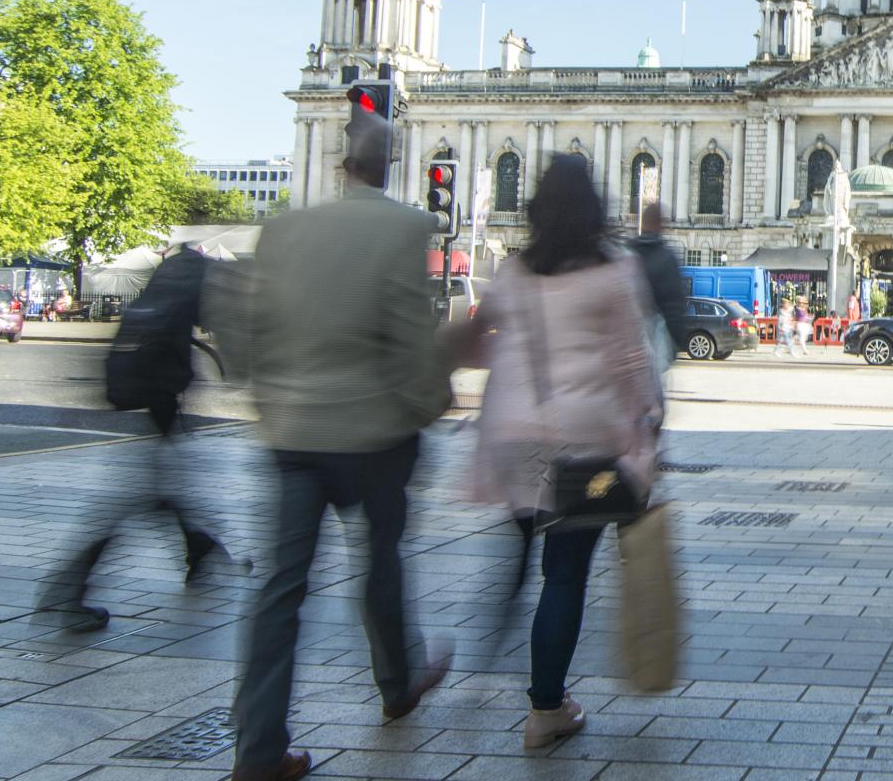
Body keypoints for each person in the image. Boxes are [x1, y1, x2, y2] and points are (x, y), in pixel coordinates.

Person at [231, 114, 453, 781]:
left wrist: (270, 403)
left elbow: (250, 332)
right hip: (374, 432)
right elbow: (411, 339)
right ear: (391, 164)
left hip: (293, 432)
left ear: (340, 162)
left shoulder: (283, 229)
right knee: (381, 561)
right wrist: (429, 408)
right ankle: (396, 684)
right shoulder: (407, 227)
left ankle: (258, 748)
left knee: (278, 590)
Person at [456, 154, 662, 751]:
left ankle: (491, 643)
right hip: (584, 443)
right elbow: (631, 364)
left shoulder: (516, 271)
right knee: (565, 575)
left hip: (514, 436)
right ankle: (545, 706)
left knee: (520, 553)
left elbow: (477, 339)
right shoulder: (613, 272)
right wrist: (648, 426)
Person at [42, 243, 243, 630]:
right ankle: (67, 592)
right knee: (138, 498)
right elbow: (214, 321)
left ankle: (198, 549)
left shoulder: (169, 274)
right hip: (162, 390)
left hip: (153, 387)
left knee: (159, 488)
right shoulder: (196, 274)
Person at [630, 204, 691, 372]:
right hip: (656, 346)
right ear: (660, 225)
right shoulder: (667, 258)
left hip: (628, 347)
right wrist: (673, 347)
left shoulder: (627, 253)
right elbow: (676, 307)